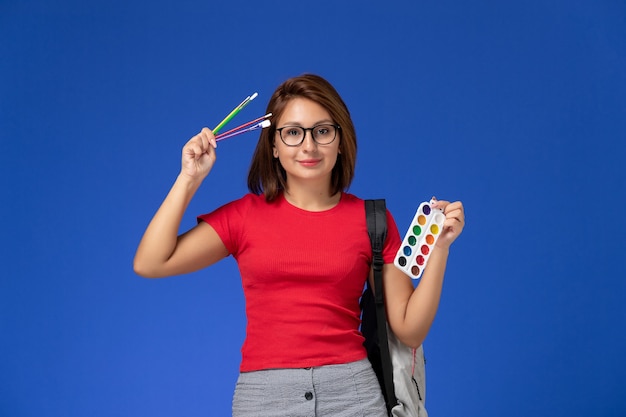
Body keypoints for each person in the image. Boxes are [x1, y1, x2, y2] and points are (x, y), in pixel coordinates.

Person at [134, 74, 465, 417]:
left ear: (340, 140)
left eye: (322, 131)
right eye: (293, 132)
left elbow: (410, 331)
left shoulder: (373, 221)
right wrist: (189, 177)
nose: (308, 146)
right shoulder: (243, 217)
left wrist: (440, 248)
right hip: (265, 399)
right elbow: (150, 262)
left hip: (354, 396)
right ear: (274, 145)